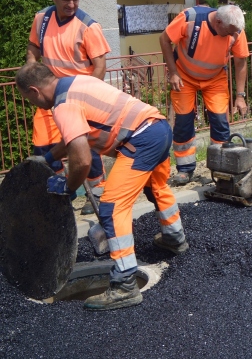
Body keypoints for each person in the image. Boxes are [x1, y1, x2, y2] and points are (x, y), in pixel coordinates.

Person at [16, 62, 188, 311]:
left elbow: (82, 160)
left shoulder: (64, 106)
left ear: (34, 91)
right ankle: (174, 237)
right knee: (156, 187)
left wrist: (68, 186)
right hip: (157, 127)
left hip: (140, 140)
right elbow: (73, 138)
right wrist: (48, 159)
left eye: (28, 99)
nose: (32, 104)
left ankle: (125, 285)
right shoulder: (76, 83)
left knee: (111, 207)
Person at [27, 0, 111, 214]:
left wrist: (87, 98)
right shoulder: (42, 20)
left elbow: (100, 65)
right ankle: (62, 190)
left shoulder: (88, 26)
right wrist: (31, 66)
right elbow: (33, 47)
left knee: (84, 146)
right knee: (44, 147)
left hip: (78, 98)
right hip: (49, 96)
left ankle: (96, 190)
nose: (72, 4)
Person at [159, 4, 249, 184]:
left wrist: (240, 95)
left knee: (220, 121)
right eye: (229, 32)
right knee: (183, 121)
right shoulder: (189, 19)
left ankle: (221, 167)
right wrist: (173, 73)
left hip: (215, 78)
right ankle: (185, 169)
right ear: (218, 22)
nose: (233, 36)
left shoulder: (236, 29)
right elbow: (164, 39)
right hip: (184, 76)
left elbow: (240, 61)